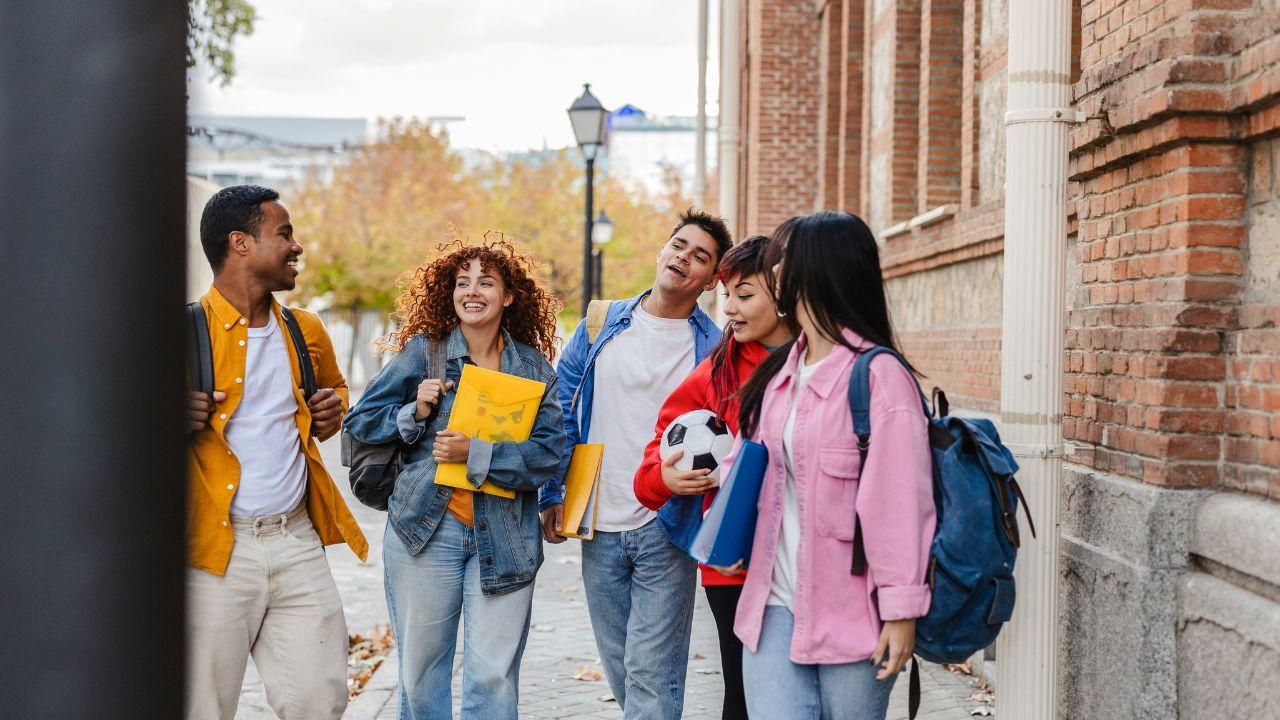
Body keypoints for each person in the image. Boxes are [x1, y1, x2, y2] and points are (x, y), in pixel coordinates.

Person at [345, 237, 565, 720]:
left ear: (509, 296)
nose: (472, 292)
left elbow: (550, 454)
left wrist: (476, 454)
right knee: (421, 675)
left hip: (506, 537)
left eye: (486, 282)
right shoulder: (424, 353)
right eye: (463, 282)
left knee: (493, 680)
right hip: (425, 533)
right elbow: (359, 422)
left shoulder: (533, 369)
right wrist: (414, 411)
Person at [732, 211, 936, 720]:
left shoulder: (880, 378)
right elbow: (753, 473)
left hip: (855, 614)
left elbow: (900, 506)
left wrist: (902, 611)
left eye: (785, 259)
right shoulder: (778, 374)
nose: (774, 271)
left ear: (821, 268)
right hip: (772, 607)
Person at [539, 208, 732, 719]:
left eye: (700, 257)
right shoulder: (601, 324)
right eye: (678, 246)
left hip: (668, 523)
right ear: (662, 250)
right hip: (598, 520)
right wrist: (553, 493)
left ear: (711, 279)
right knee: (624, 672)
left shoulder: (715, 348)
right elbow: (562, 411)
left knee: (652, 676)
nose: (683, 259)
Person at [185, 185, 368, 720]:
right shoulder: (181, 333)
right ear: (240, 243)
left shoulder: (304, 329)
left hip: (297, 541)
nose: (297, 246)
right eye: (284, 234)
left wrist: (332, 410)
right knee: (202, 707)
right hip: (213, 552)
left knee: (319, 701)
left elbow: (336, 392)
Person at [632, 235, 791, 720]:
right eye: (727, 296)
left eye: (745, 295)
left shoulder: (821, 362)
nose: (731, 309)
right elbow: (652, 466)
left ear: (784, 292)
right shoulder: (715, 372)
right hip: (732, 564)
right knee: (742, 694)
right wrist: (665, 479)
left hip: (802, 556)